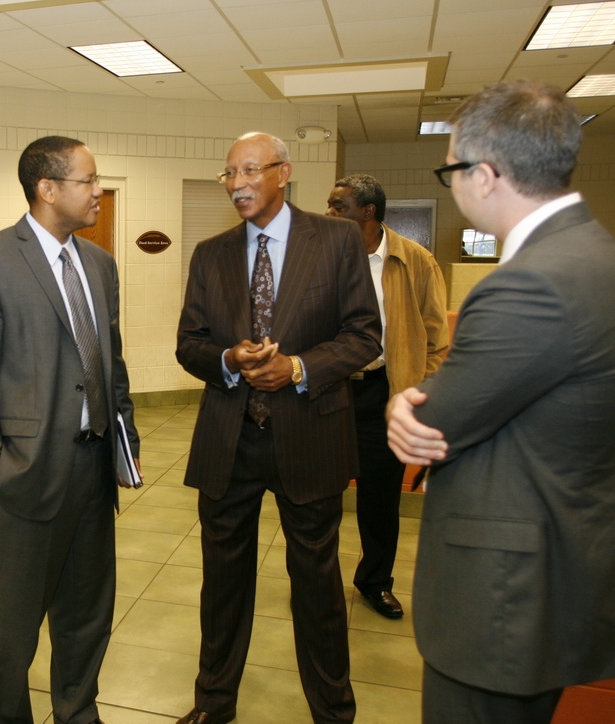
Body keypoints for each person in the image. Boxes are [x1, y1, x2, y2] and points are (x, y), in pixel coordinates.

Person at [386, 80, 615, 723]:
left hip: (504, 599)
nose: (452, 184)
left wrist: (399, 402)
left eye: (451, 170)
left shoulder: (530, 285)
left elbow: (433, 420)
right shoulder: (596, 255)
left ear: (484, 175)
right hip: (563, 567)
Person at [175, 132, 381, 724]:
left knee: (316, 587)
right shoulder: (210, 254)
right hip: (228, 441)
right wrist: (227, 361)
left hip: (311, 434)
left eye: (249, 171)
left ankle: (334, 711)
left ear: (283, 172)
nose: (237, 183)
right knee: (222, 586)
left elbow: (364, 335)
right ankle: (214, 705)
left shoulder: (337, 240)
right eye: (228, 173)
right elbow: (189, 344)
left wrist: (297, 367)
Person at [0, 135, 139, 724]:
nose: (99, 190)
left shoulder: (100, 264)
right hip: (27, 473)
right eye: (88, 180)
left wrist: (123, 444)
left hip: (93, 467)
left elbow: (113, 362)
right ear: (47, 189)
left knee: (86, 614)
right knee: (12, 627)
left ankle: (78, 712)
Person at [325, 173, 449, 619]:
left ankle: (375, 582)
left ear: (368, 212)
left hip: (385, 395)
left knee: (380, 502)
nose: (329, 214)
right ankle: (317, 585)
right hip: (328, 395)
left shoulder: (414, 261)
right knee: (318, 500)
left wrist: (418, 390)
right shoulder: (320, 257)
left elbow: (437, 337)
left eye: (338, 206)